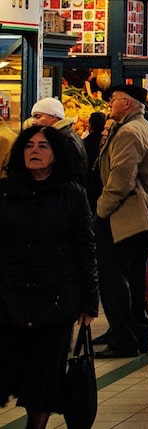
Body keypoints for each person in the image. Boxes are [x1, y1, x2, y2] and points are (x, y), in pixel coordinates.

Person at [0, 125, 97, 429]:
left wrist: (89, 301)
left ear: (56, 155)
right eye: (29, 146)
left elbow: (85, 247)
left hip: (55, 300)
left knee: (44, 377)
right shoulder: (5, 192)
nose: (35, 151)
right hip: (8, 299)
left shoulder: (71, 194)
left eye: (43, 146)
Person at [95, 83, 148, 358]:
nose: (109, 104)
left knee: (114, 279)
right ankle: (137, 332)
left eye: (113, 100)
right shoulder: (145, 128)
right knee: (135, 280)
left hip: (128, 217)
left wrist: (100, 211)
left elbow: (121, 180)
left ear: (127, 103)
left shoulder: (129, 132)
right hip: (144, 218)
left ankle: (124, 338)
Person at [28, 97, 87, 171]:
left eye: (38, 117)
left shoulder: (63, 139)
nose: (34, 122)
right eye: (34, 118)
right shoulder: (64, 134)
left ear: (53, 117)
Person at [83, 110, 108, 205]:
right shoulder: (108, 143)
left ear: (90, 125)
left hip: (89, 184)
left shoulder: (85, 143)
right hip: (101, 185)